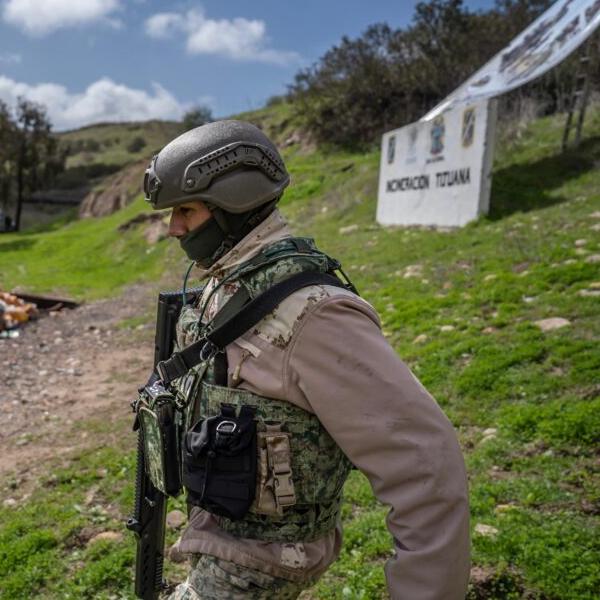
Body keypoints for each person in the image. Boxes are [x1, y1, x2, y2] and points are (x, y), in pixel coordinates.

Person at [140, 121, 470, 599]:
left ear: (232, 206)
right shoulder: (229, 280)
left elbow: (424, 465)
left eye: (186, 211)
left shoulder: (314, 312)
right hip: (221, 535)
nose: (174, 228)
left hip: (262, 558)